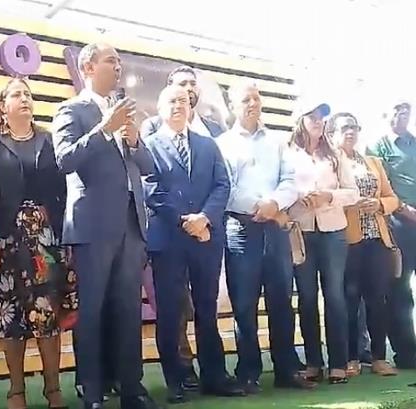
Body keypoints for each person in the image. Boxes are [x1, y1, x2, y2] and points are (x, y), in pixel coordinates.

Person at [51, 42, 157, 409]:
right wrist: (104, 129)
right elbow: (64, 159)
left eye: (119, 61)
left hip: (130, 223)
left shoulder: (123, 113)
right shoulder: (71, 110)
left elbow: (148, 167)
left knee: (128, 310)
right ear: (88, 67)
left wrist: (134, 140)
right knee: (92, 311)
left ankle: (132, 389)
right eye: (111, 60)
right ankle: (93, 392)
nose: (118, 66)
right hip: (92, 226)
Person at [0, 78, 75, 409]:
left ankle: (53, 388)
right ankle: (16, 390)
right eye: (17, 94)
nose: (25, 98)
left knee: (48, 315)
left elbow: (66, 188)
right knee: (11, 316)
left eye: (28, 94)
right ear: (3, 105)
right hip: (5, 241)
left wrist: (58, 224)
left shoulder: (49, 140)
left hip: (45, 241)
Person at [143, 84, 243, 403]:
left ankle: (214, 376)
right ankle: (176, 381)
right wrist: (185, 220)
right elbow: (151, 189)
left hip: (206, 238)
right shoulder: (149, 146)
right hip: (168, 240)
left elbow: (222, 184)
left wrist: (205, 218)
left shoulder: (207, 144)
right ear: (160, 108)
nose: (178, 106)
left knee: (207, 308)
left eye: (184, 101)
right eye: (172, 101)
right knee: (171, 313)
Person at [216, 81, 316, 393]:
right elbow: (224, 186)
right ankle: (248, 372)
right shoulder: (222, 144)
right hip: (240, 229)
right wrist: (257, 206)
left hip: (275, 228)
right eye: (246, 99)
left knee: (282, 301)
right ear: (233, 106)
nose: (253, 104)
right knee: (244, 305)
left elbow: (289, 180)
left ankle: (286, 369)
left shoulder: (276, 141)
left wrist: (273, 203)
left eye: (256, 99)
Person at [289, 101, 360, 385]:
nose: (318, 121)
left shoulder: (334, 154)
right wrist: (301, 198)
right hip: (302, 230)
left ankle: (338, 363)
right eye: (313, 116)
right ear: (300, 120)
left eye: (321, 117)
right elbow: (283, 188)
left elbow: (352, 192)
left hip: (333, 231)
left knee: (334, 295)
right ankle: (313, 362)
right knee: (306, 297)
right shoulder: (287, 153)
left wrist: (329, 196)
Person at [327, 112, 399, 377]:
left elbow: (392, 198)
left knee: (378, 298)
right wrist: (351, 202)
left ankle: (379, 357)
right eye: (345, 127)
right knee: (349, 298)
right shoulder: (330, 163)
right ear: (332, 133)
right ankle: (351, 357)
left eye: (355, 127)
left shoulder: (373, 162)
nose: (351, 132)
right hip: (347, 239)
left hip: (377, 238)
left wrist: (379, 204)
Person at [366, 101, 416, 369]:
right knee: (400, 290)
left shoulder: (414, 143)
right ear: (386, 114)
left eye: (406, 110)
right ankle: (407, 353)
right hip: (398, 223)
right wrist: (406, 210)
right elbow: (381, 186)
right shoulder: (378, 147)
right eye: (397, 110)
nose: (402, 114)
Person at [140, 65, 224, 139]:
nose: (189, 88)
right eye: (182, 84)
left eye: (193, 84)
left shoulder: (214, 128)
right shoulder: (153, 126)